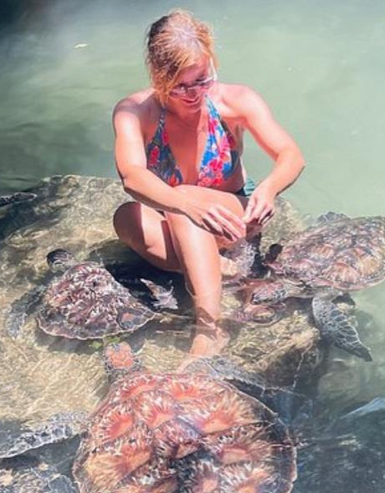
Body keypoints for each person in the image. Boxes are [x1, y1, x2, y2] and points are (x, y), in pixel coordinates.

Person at [112, 9, 304, 365]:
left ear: (211, 64)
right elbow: (132, 176)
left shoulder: (235, 101)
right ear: (158, 75)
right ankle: (221, 269)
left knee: (182, 199)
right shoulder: (135, 112)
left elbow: (290, 154)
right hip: (179, 218)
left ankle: (210, 329)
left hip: (232, 215)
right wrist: (187, 208)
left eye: (202, 80)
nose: (193, 93)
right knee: (126, 218)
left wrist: (270, 187)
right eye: (180, 85)